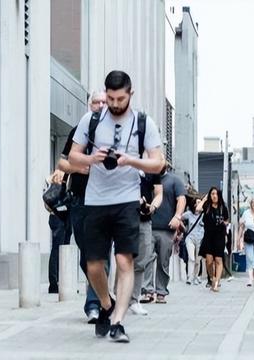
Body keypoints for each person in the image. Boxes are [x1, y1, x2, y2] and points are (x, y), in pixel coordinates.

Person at [69, 70, 165, 342]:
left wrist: (130, 160)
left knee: (124, 260)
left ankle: (118, 322)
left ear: (130, 94)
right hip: (96, 200)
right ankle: (107, 305)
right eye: (110, 98)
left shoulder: (144, 122)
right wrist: (92, 159)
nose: (113, 103)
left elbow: (158, 163)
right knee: (94, 265)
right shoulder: (92, 120)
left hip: (126, 199)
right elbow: (72, 159)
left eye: (119, 98)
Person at [55, 89, 105, 322]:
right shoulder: (79, 131)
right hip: (80, 200)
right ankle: (103, 295)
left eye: (105, 102)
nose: (101, 106)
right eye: (97, 102)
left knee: (99, 253)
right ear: (89, 105)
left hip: (106, 201)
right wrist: (79, 168)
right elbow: (62, 163)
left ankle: (95, 304)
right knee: (87, 256)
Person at [147, 164, 187, 303]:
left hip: (166, 228)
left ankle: (161, 291)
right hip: (148, 226)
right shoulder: (147, 178)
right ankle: (147, 291)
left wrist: (177, 217)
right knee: (146, 259)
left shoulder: (174, 180)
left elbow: (181, 199)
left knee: (163, 261)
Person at [128, 171, 162, 316]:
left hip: (144, 219)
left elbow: (159, 192)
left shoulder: (151, 164)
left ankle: (134, 300)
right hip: (124, 215)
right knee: (123, 257)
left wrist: (152, 207)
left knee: (142, 259)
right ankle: (118, 298)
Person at [198, 187, 230, 292]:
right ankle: (212, 278)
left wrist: (224, 223)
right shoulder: (207, 206)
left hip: (219, 236)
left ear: (219, 195)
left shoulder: (223, 207)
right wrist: (204, 198)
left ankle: (216, 283)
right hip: (208, 236)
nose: (214, 196)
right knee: (209, 261)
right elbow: (198, 209)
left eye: (216, 194)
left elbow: (227, 220)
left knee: (218, 260)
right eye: (212, 194)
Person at [182, 198, 204, 285]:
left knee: (198, 260)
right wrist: (183, 228)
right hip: (190, 238)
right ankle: (189, 277)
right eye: (198, 202)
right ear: (194, 204)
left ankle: (195, 277)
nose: (200, 204)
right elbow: (179, 217)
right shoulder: (189, 214)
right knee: (191, 258)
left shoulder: (203, 215)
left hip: (200, 239)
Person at [238, 198, 254, 286]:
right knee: (250, 259)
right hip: (248, 238)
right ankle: (250, 279)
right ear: (250, 204)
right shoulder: (246, 213)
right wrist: (238, 239)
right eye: (253, 203)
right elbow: (242, 226)